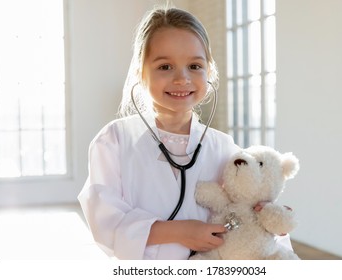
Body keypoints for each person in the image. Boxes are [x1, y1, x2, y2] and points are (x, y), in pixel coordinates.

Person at [78, 6, 292, 260]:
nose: (182, 78)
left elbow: (246, 208)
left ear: (209, 72)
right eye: (165, 66)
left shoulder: (224, 148)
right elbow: (105, 222)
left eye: (194, 65)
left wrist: (264, 212)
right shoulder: (114, 140)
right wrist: (179, 231)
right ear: (140, 72)